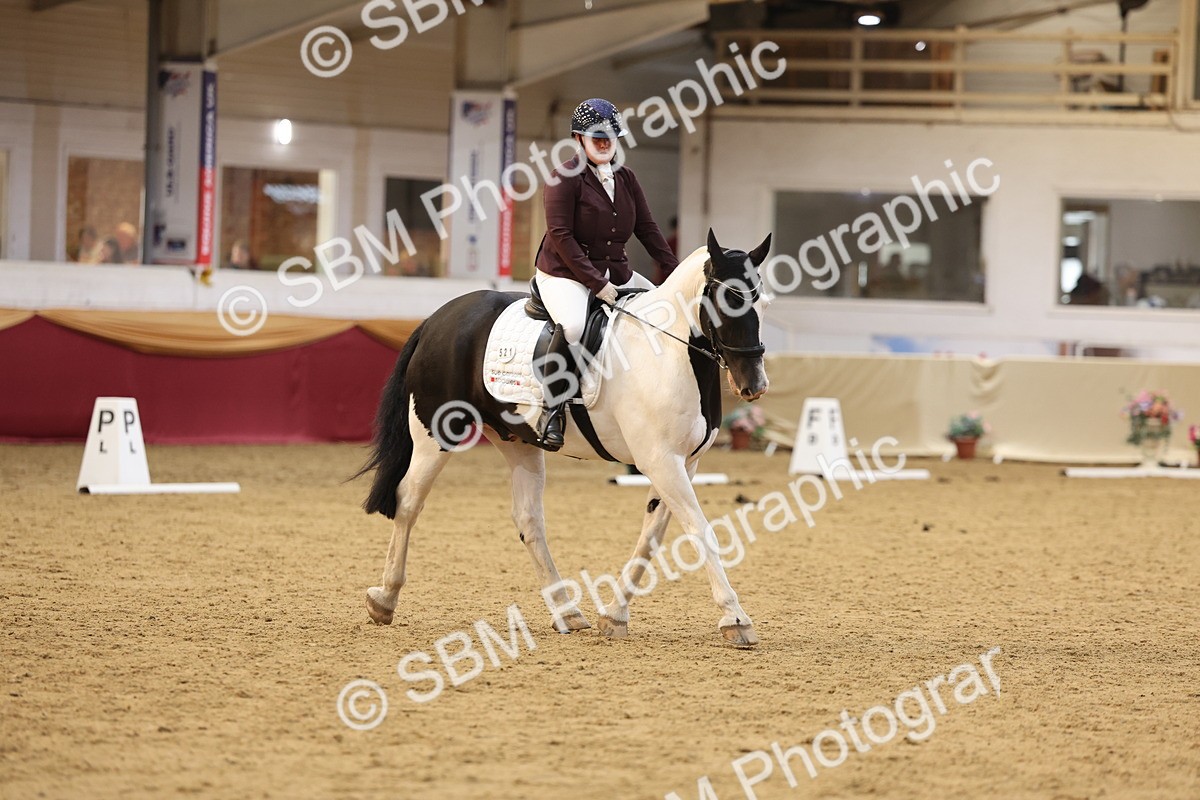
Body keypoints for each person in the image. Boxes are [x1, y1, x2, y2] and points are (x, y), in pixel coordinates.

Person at [533, 98, 679, 449]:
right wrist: (596, 284)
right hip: (564, 275)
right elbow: (561, 236)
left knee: (666, 312)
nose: (604, 143)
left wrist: (676, 274)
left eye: (610, 137)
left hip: (617, 273)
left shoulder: (627, 178)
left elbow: (646, 228)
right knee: (573, 326)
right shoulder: (563, 179)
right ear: (578, 139)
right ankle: (551, 409)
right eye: (596, 137)